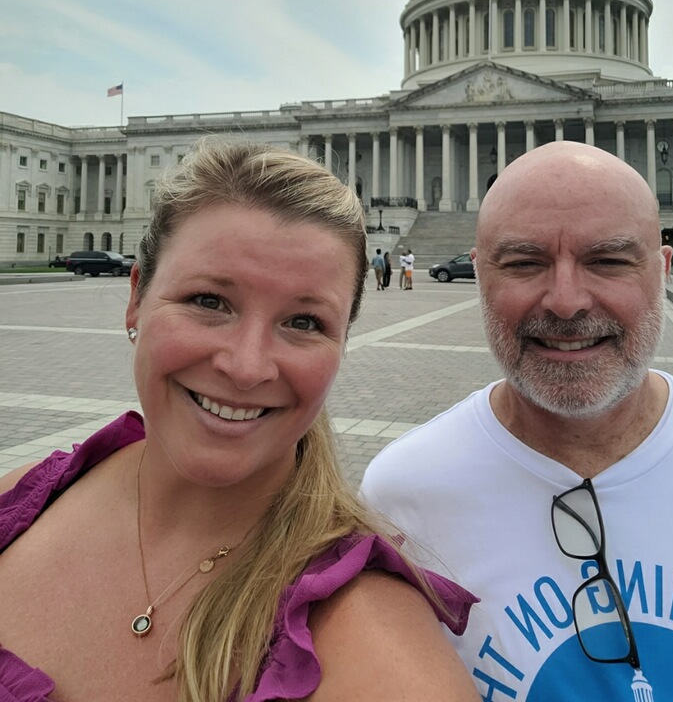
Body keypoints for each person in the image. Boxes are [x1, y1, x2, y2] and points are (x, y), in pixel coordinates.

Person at [0, 139, 479, 702]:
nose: (247, 368)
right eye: (208, 301)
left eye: (304, 321)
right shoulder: (22, 499)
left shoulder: (383, 657)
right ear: (136, 299)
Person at [362, 141, 673, 700]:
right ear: (479, 274)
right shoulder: (400, 497)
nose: (566, 301)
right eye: (523, 263)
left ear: (663, 271)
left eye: (608, 261)